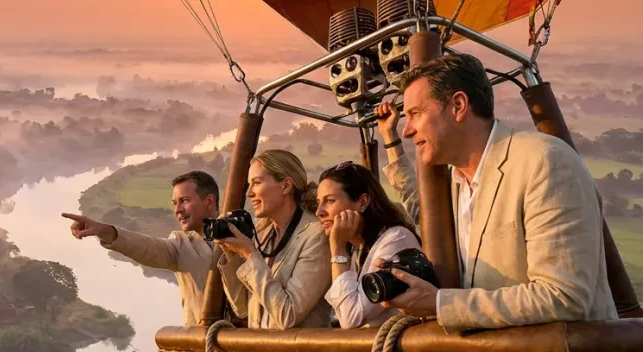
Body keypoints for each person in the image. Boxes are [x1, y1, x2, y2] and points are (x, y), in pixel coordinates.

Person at [379, 53, 617, 333]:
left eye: (415, 114)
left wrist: (440, 304)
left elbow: (564, 297)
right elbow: (422, 209)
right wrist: (390, 140)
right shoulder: (457, 182)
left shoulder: (544, 162)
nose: (407, 130)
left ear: (458, 105)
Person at [61, 170, 221, 326]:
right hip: (200, 344)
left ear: (209, 201)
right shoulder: (181, 246)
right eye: (175, 203)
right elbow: (146, 247)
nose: (178, 210)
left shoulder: (242, 238)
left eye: (184, 200)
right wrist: (103, 231)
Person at [213, 149, 332, 329]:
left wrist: (251, 254)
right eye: (249, 184)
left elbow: (288, 315)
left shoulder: (316, 236)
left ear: (285, 185)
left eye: (256, 183)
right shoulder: (263, 236)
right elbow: (243, 309)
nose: (249, 193)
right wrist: (232, 254)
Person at [315, 160, 421, 328]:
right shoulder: (359, 248)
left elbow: (351, 318)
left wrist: (338, 248)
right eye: (318, 202)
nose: (319, 212)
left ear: (362, 202)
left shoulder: (396, 240)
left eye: (329, 200)